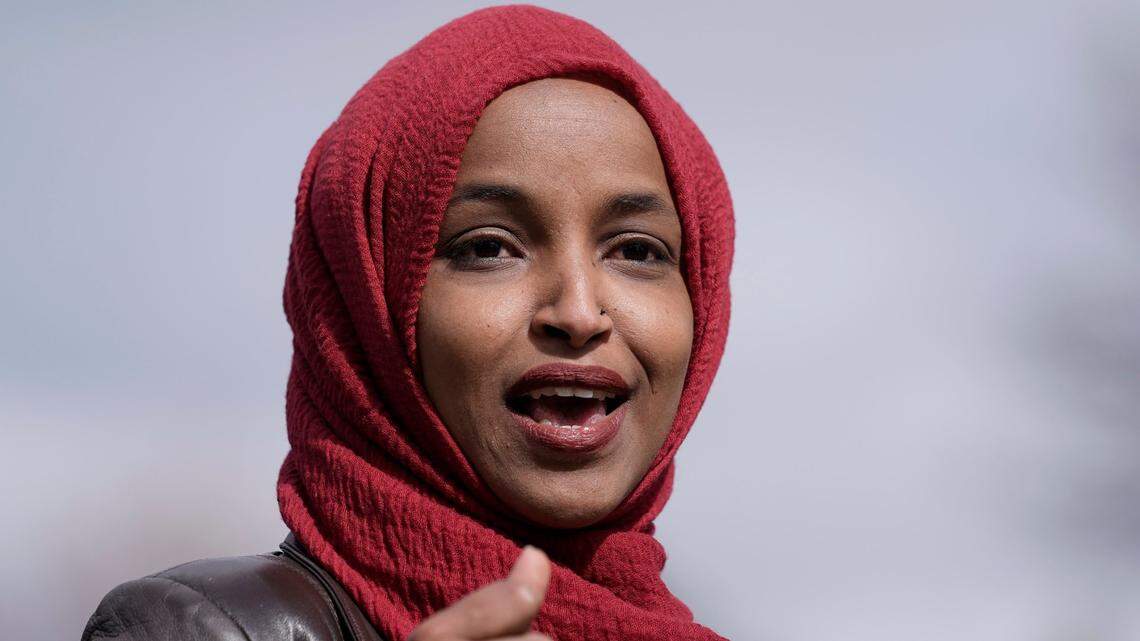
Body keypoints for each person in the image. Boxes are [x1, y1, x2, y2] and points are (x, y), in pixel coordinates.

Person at [82, 5, 734, 640]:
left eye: (637, 251)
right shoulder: (195, 627)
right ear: (368, 308)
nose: (578, 311)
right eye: (487, 247)